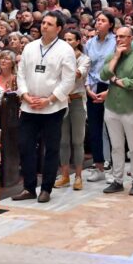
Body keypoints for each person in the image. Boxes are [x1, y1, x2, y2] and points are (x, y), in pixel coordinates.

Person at [12, 12, 76, 204]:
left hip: (52, 108)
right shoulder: (30, 47)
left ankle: (46, 188)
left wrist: (49, 100)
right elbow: (21, 74)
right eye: (43, 23)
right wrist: (24, 94)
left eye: (49, 24)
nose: (44, 26)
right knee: (25, 146)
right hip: (29, 105)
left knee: (51, 148)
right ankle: (29, 187)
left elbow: (68, 80)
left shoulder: (65, 49)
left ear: (58, 28)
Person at [100, 26, 133, 196]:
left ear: (131, 38)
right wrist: (116, 57)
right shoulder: (111, 57)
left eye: (123, 36)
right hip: (112, 107)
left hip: (131, 108)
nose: (119, 39)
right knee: (116, 146)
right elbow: (103, 76)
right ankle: (117, 180)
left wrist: (119, 81)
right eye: (117, 37)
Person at [83, 11, 117, 183]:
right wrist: (87, 87)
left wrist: (110, 89)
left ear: (110, 24)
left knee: (111, 127)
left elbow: (118, 66)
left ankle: (114, 166)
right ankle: (99, 166)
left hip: (110, 86)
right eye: (97, 20)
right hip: (92, 86)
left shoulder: (116, 42)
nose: (99, 23)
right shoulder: (90, 43)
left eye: (103, 20)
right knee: (95, 128)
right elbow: (86, 65)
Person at [55, 29, 90, 191]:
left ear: (78, 41)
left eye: (70, 40)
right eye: (65, 39)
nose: (67, 42)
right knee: (63, 141)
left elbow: (76, 74)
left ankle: (78, 176)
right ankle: (64, 175)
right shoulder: (59, 57)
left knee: (77, 141)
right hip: (62, 100)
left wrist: (63, 65)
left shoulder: (84, 59)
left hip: (76, 100)